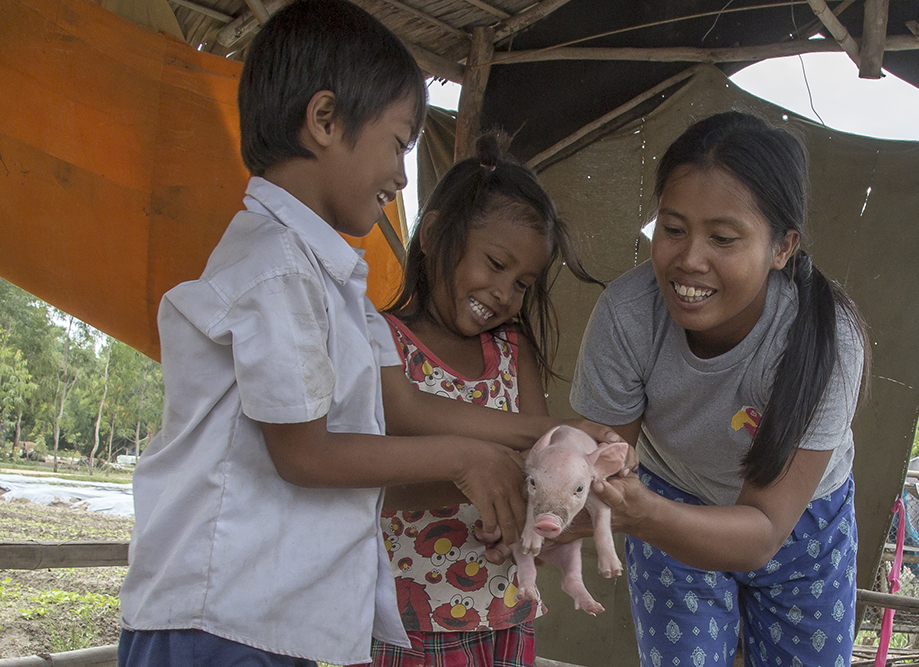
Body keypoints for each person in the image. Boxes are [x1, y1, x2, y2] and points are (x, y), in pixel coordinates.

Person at [117, 3, 615, 666]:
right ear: (325, 120)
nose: (404, 176)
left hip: (267, 617)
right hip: (216, 616)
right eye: (401, 142)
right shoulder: (277, 267)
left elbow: (401, 413)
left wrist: (554, 441)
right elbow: (306, 454)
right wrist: (464, 460)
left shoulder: (337, 281)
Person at [571, 111, 870, 667]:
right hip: (670, 496)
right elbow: (597, 467)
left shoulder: (828, 340)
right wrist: (548, 516)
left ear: (782, 248)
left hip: (802, 524)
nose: (689, 260)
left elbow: (761, 533)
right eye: (673, 229)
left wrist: (640, 514)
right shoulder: (628, 316)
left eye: (723, 238)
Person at [361, 134, 602, 667]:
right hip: (406, 620)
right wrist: (481, 478)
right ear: (432, 234)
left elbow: (540, 461)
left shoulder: (512, 349)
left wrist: (522, 511)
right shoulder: (382, 343)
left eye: (521, 283)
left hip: (505, 607)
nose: (503, 292)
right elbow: (374, 481)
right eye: (494, 264)